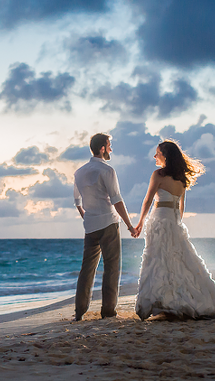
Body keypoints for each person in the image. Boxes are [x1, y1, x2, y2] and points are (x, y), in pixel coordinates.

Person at [133, 139, 215, 320]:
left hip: (159, 221)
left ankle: (162, 301)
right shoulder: (181, 178)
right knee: (180, 259)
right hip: (173, 221)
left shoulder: (158, 174)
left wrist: (140, 222)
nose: (155, 156)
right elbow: (181, 206)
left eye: (157, 153)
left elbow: (147, 200)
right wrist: (177, 223)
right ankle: (177, 300)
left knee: (158, 259)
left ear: (165, 156)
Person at [73, 133, 137, 321]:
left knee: (87, 268)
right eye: (109, 145)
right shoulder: (107, 170)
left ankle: (79, 311)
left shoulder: (79, 172)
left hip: (90, 225)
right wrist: (130, 225)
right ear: (102, 148)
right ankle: (108, 311)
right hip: (109, 223)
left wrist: (86, 216)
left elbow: (77, 200)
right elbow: (116, 200)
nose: (111, 149)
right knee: (112, 267)